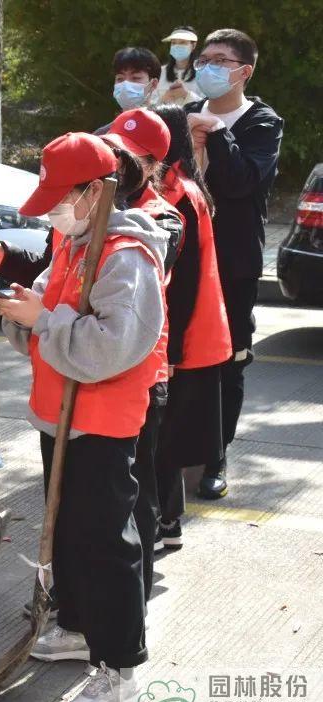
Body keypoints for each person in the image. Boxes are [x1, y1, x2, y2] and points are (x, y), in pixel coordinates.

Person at [0, 132, 168, 702]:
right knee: (66, 530)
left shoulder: (125, 255)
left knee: (105, 542)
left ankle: (120, 665)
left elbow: (110, 347)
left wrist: (43, 318)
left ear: (95, 191)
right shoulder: (71, 244)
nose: (53, 212)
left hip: (102, 420)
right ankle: (75, 626)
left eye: (61, 198)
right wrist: (24, 313)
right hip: (59, 417)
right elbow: (45, 324)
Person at [184, 28, 283, 499]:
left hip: (233, 262)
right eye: (204, 59)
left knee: (228, 359)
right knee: (181, 357)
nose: (208, 67)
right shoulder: (183, 115)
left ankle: (215, 458)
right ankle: (174, 447)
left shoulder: (262, 123)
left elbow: (243, 181)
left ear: (244, 71)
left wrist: (216, 134)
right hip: (183, 258)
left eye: (220, 60)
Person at [101, 108, 184, 601]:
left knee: (137, 490)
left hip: (141, 369)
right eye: (109, 150)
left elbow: (156, 256)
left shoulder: (162, 218)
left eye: (126, 157)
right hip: (87, 365)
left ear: (153, 165)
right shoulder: (91, 203)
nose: (113, 163)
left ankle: (137, 590)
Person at [151, 103, 232, 548]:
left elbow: (180, 284)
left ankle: (167, 521)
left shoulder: (175, 192)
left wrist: (173, 350)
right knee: (167, 435)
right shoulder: (181, 183)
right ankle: (170, 520)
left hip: (183, 336)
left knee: (163, 437)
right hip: (193, 334)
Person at [102, 47, 163, 130]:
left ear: (153, 84)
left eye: (135, 78)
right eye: (120, 79)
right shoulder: (102, 135)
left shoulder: (166, 129)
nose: (125, 85)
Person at [157, 26, 201, 106]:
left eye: (182, 42)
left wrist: (186, 95)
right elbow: (149, 103)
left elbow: (209, 104)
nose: (177, 46)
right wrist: (164, 98)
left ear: (193, 46)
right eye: (173, 43)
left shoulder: (203, 73)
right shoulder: (160, 72)